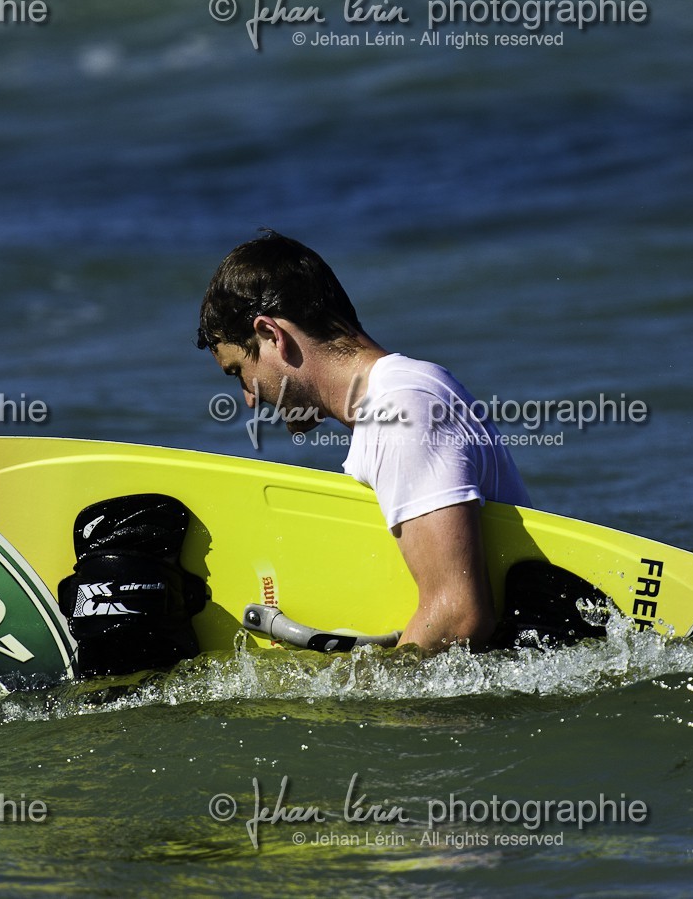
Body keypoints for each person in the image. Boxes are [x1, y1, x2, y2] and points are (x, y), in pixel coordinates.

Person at [195, 231, 531, 653]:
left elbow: (457, 614)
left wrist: (356, 696)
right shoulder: (397, 402)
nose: (247, 397)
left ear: (271, 334)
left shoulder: (401, 410)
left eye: (238, 371)